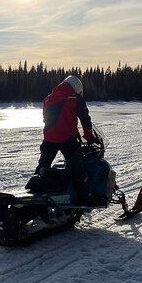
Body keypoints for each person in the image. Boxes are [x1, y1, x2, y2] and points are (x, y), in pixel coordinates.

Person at [35, 75, 96, 204]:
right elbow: (85, 119)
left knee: (42, 168)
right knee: (77, 169)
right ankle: (86, 198)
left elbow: (46, 119)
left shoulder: (48, 98)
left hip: (49, 139)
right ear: (76, 87)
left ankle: (35, 192)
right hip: (68, 140)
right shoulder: (75, 98)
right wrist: (89, 137)